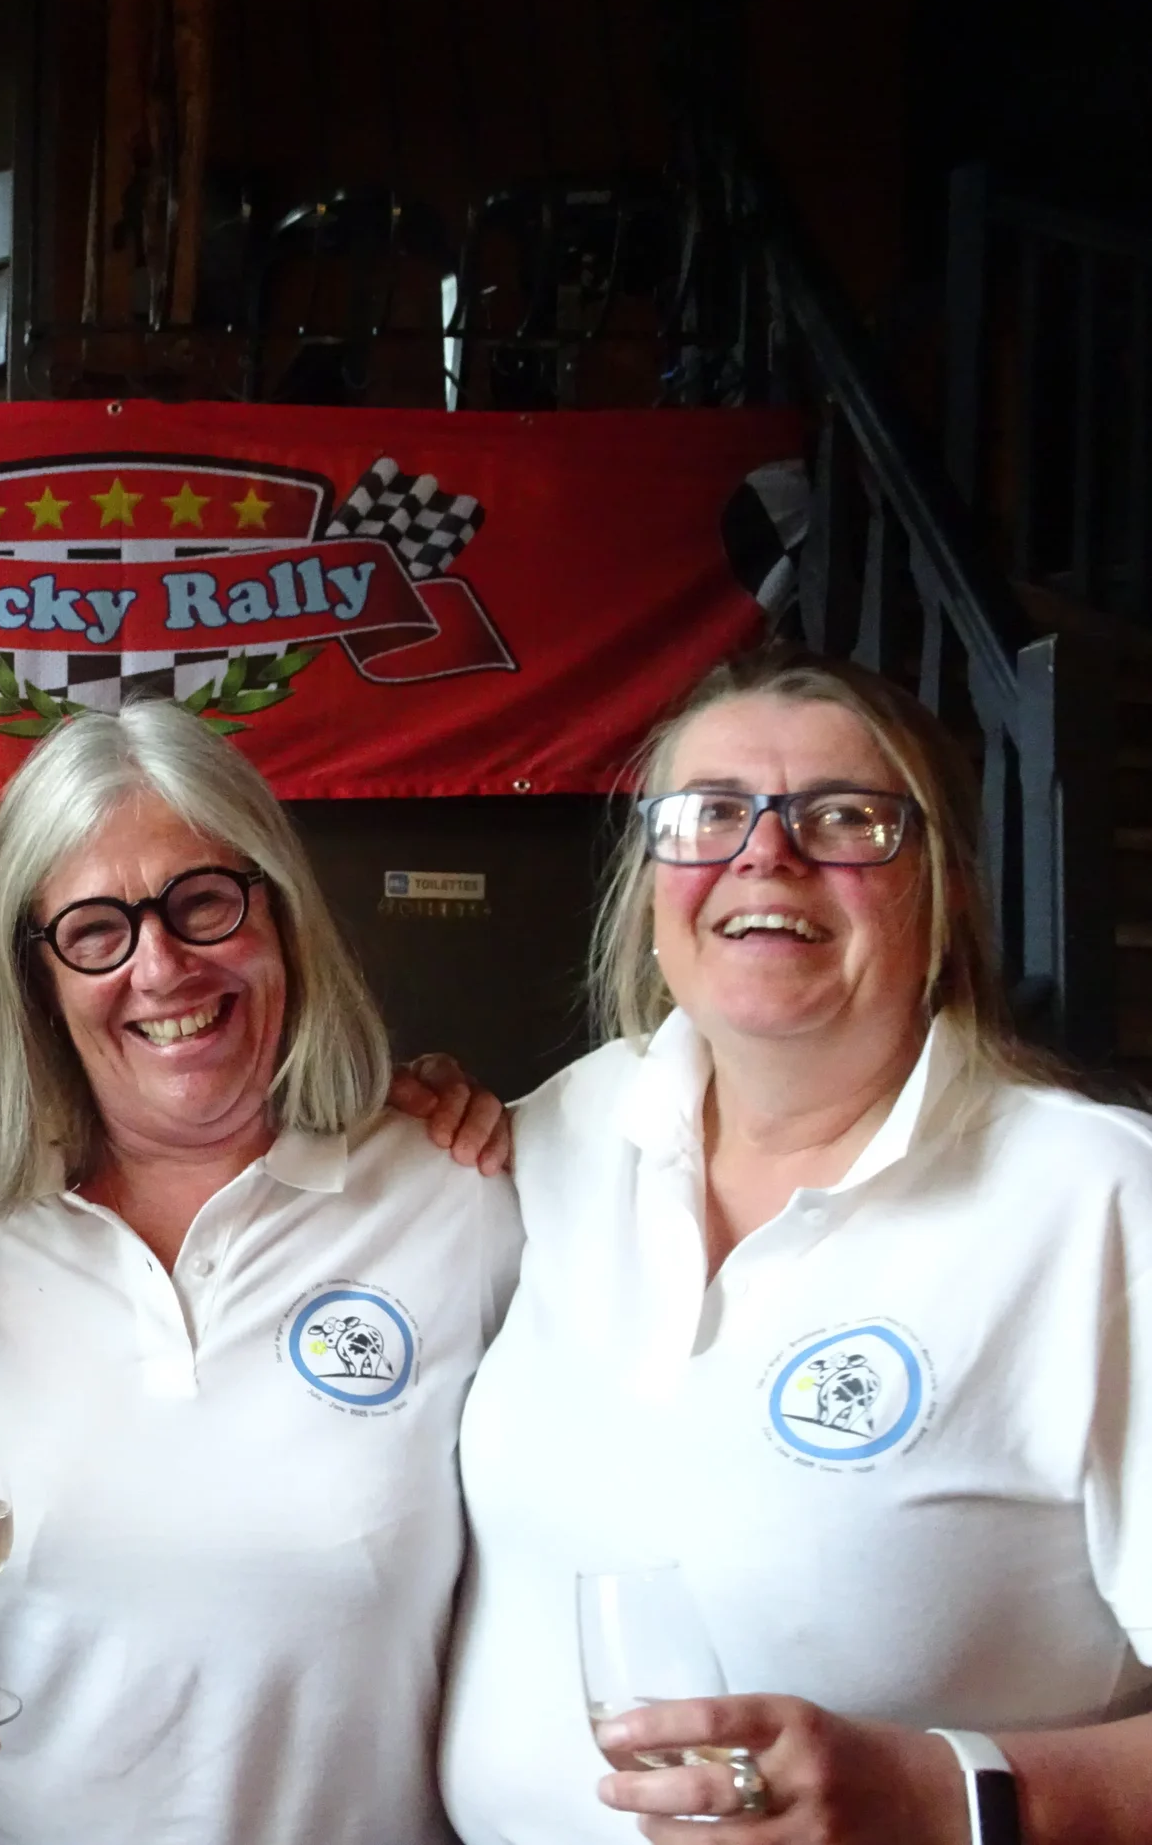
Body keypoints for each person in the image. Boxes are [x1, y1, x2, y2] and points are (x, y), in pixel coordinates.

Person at [441, 642, 1152, 1844]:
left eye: (844, 819)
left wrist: (942, 1793)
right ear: (651, 888)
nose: (762, 854)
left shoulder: (1096, 1200)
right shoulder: (557, 1132)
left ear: (944, 891)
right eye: (708, 813)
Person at [0, 700, 521, 1845]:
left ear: (281, 916)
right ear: (34, 975)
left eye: (202, 902)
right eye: (95, 930)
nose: (161, 968)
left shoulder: (459, 1195)